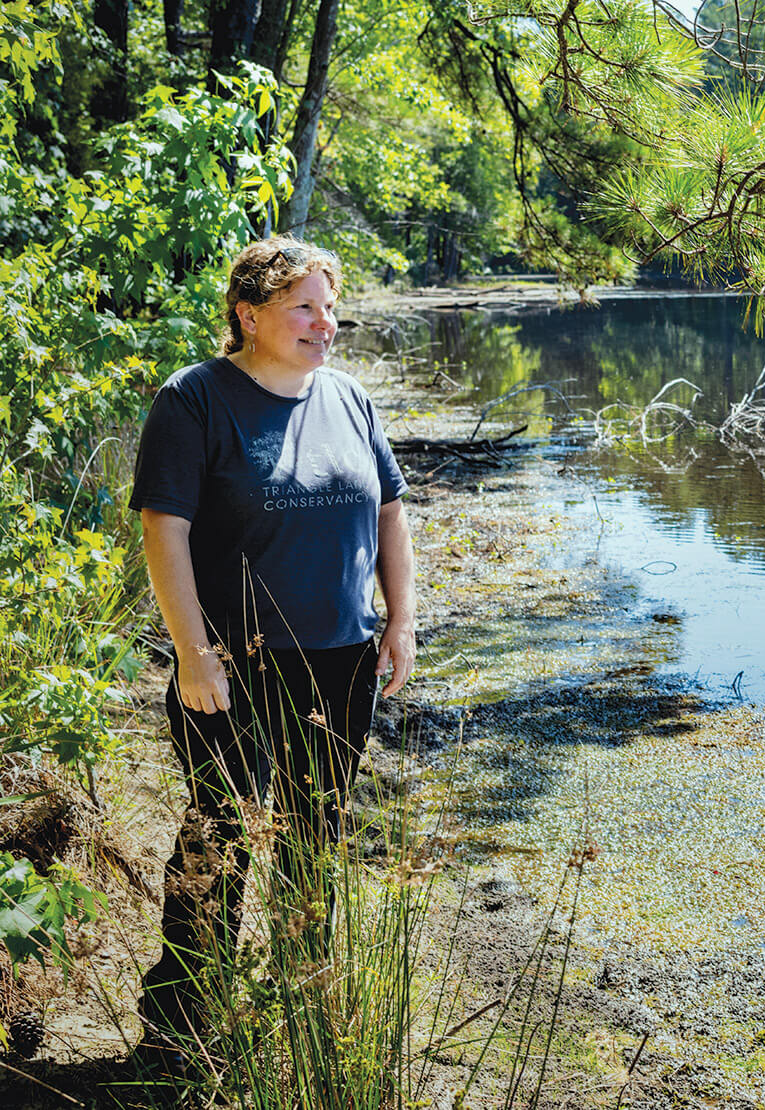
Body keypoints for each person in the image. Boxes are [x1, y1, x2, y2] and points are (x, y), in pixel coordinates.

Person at [127, 236, 416, 1074]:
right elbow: (164, 529)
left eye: (331, 307)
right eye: (305, 307)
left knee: (313, 835)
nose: (325, 323)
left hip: (340, 660)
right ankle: (180, 1022)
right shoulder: (195, 401)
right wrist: (192, 652)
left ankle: (308, 1003)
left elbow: (391, 513)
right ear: (248, 314)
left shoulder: (351, 398)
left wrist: (399, 623)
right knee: (220, 836)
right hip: (233, 664)